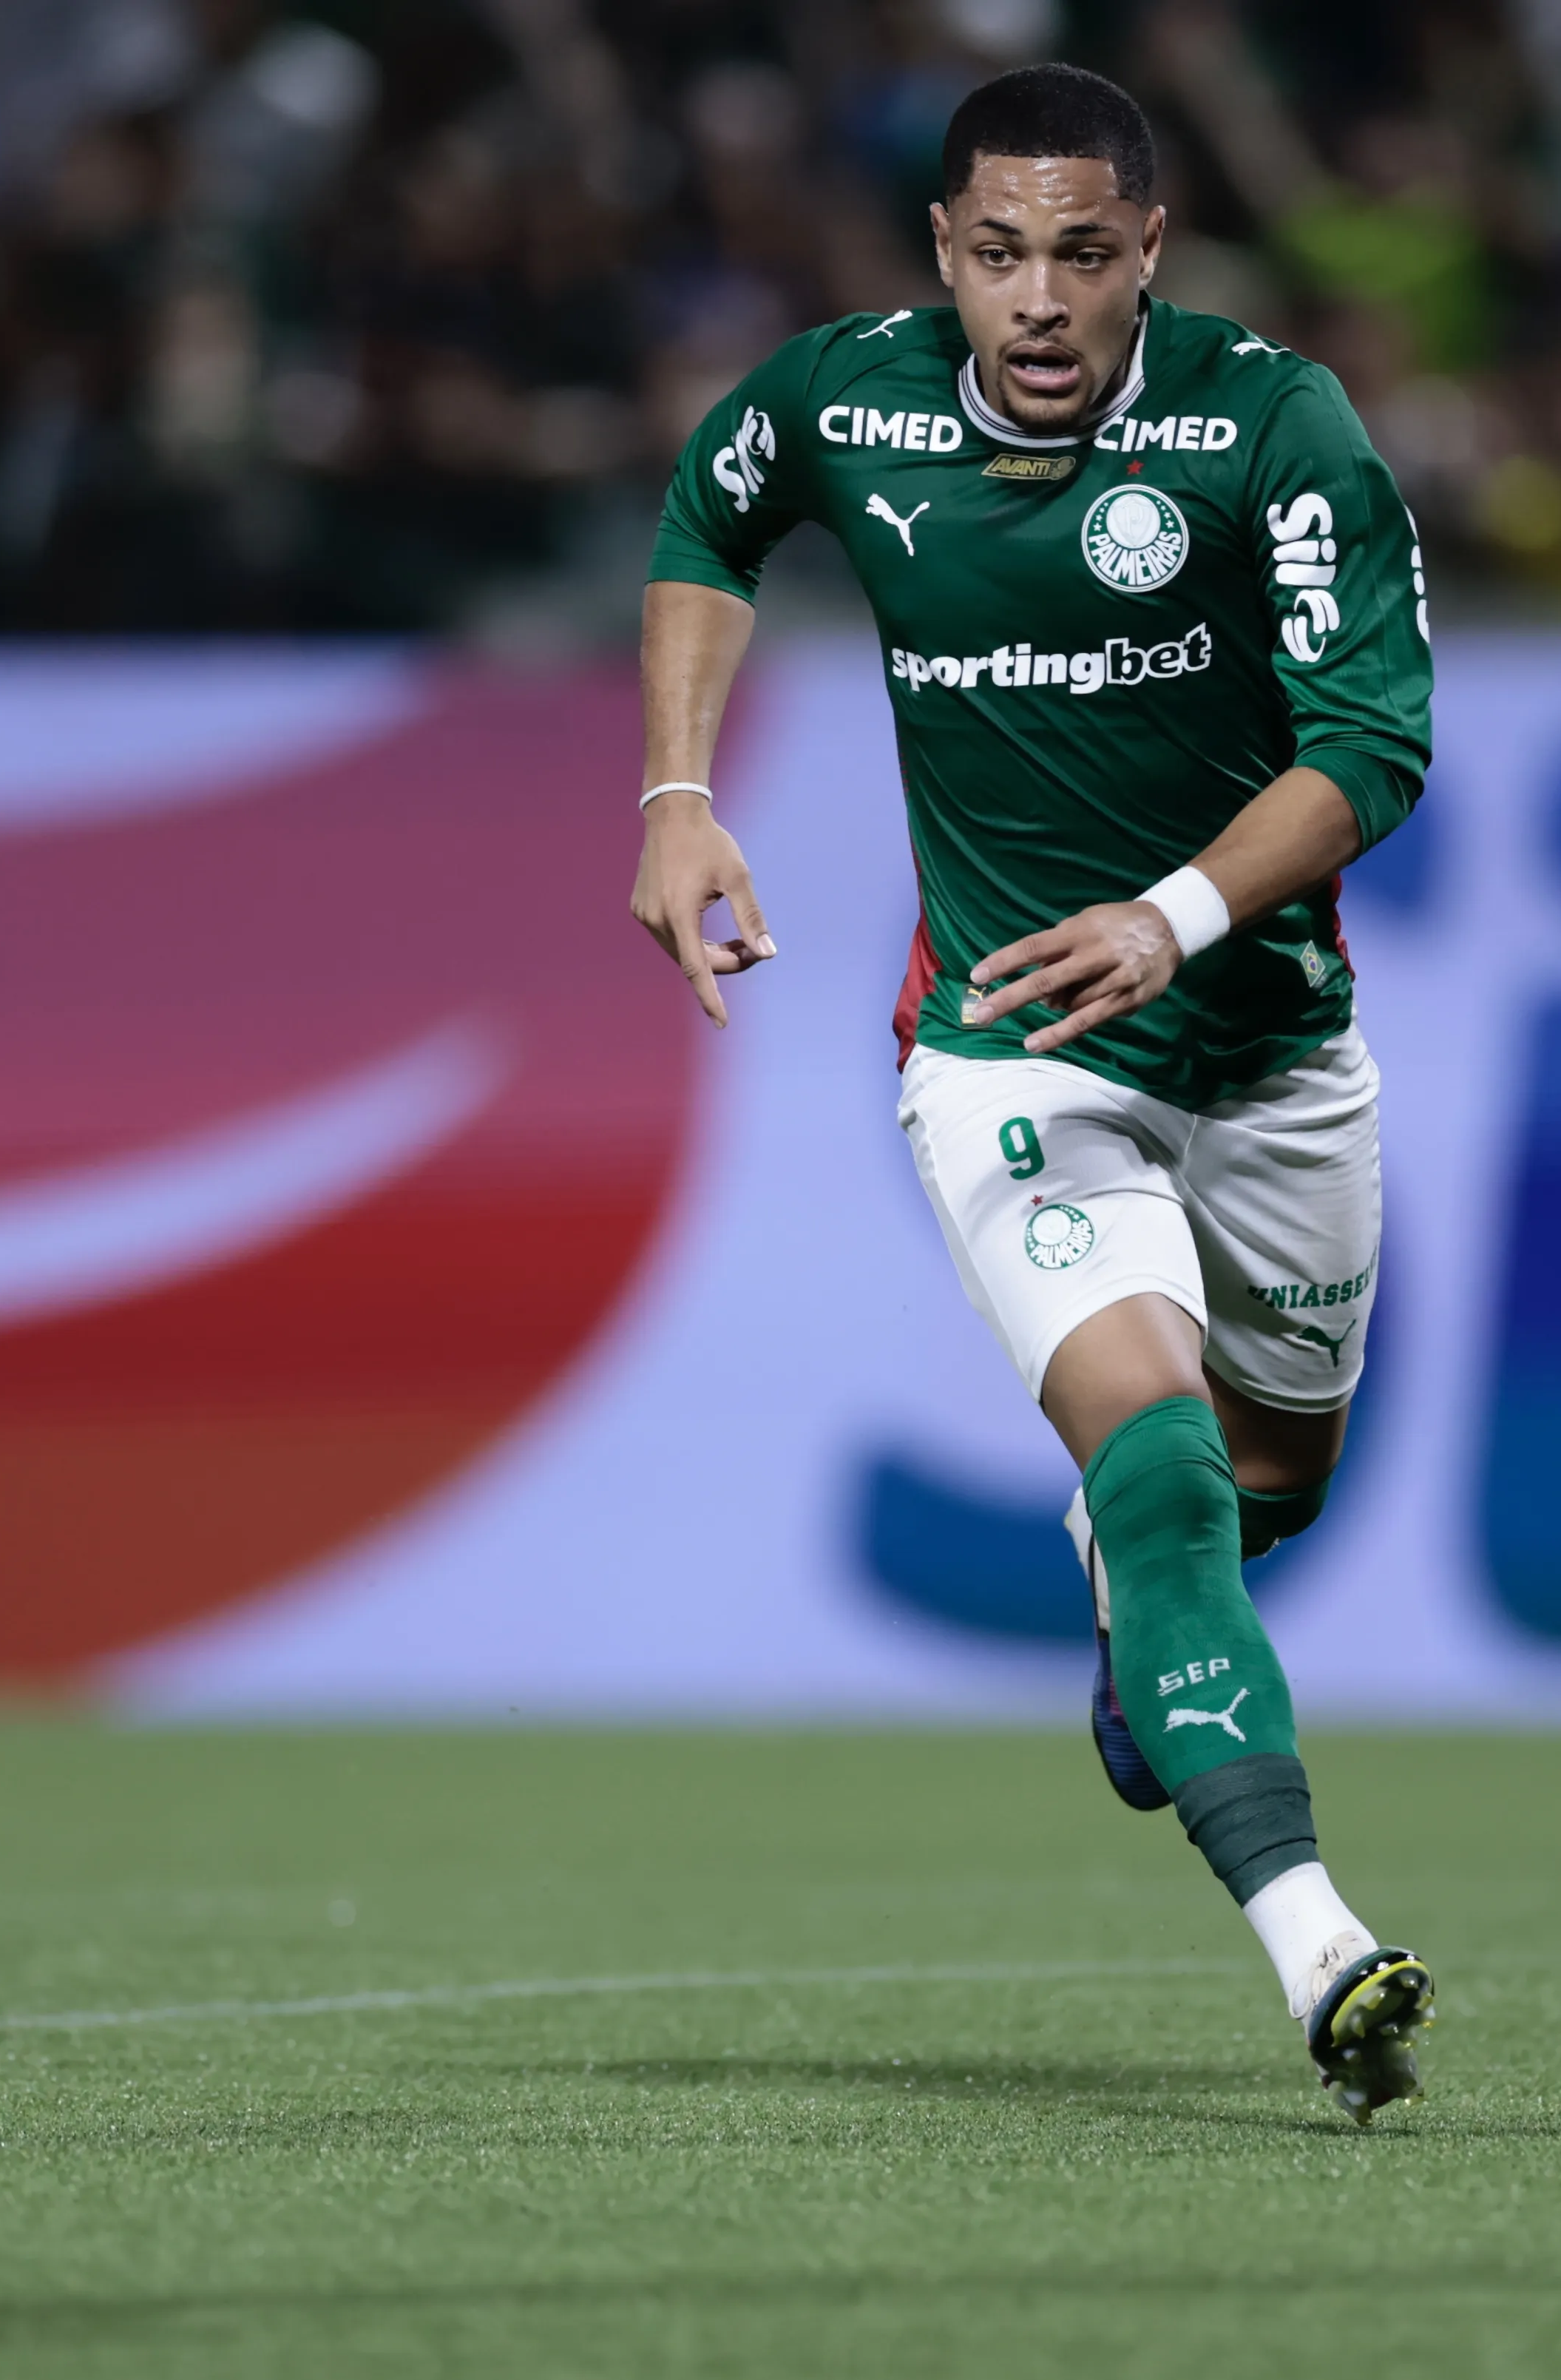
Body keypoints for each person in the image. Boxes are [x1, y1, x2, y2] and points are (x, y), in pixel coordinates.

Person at [626, 62, 1438, 2118]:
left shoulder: (1275, 427)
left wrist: (1174, 915)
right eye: (1000, 256)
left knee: (1271, 1487)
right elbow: (710, 509)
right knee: (1155, 1468)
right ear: (943, 258)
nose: (1042, 302)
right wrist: (676, 791)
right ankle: (1317, 1941)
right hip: (1006, 1050)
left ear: (1152, 252)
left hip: (1269, 1060)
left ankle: (1151, 1622)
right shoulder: (849, 396)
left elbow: (1379, 743)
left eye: (1085, 254)